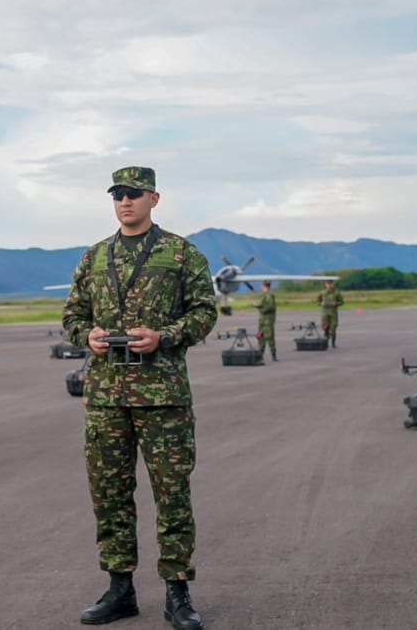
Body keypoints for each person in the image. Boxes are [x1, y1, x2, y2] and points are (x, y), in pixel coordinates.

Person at [63, 166, 217, 629]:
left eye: (133, 194)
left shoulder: (180, 253)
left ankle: (178, 592)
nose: (124, 201)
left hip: (162, 396)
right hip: (107, 397)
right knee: (109, 494)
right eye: (117, 194)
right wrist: (85, 335)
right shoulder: (95, 257)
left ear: (154, 198)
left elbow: (205, 312)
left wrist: (165, 336)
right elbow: (72, 314)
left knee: (172, 494)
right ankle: (120, 589)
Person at [253, 280, 278, 361]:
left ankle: (273, 355)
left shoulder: (269, 296)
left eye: (262, 285)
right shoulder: (265, 296)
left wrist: (261, 309)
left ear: (264, 286)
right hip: (262, 321)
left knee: (269, 337)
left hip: (268, 321)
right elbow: (264, 304)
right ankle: (260, 355)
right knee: (260, 337)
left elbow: (270, 307)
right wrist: (257, 305)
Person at [317, 279, 344, 348]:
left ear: (332, 284)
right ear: (325, 285)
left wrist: (336, 303)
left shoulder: (337, 293)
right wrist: (321, 303)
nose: (329, 285)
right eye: (327, 284)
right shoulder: (322, 293)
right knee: (325, 328)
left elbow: (342, 302)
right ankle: (326, 342)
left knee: (333, 328)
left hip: (333, 314)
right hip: (325, 314)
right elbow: (317, 301)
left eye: (330, 284)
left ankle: (333, 343)